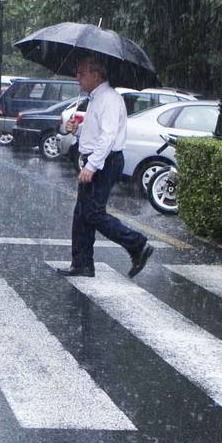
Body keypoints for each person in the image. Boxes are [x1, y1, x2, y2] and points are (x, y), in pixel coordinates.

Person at [59, 54, 153, 279]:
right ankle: (82, 263)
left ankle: (137, 244)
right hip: (98, 158)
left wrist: (91, 166)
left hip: (105, 161)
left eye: (82, 73)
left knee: (92, 213)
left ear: (96, 74)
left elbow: (108, 137)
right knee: (81, 214)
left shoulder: (109, 99)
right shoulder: (95, 99)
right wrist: (77, 130)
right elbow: (96, 134)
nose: (77, 77)